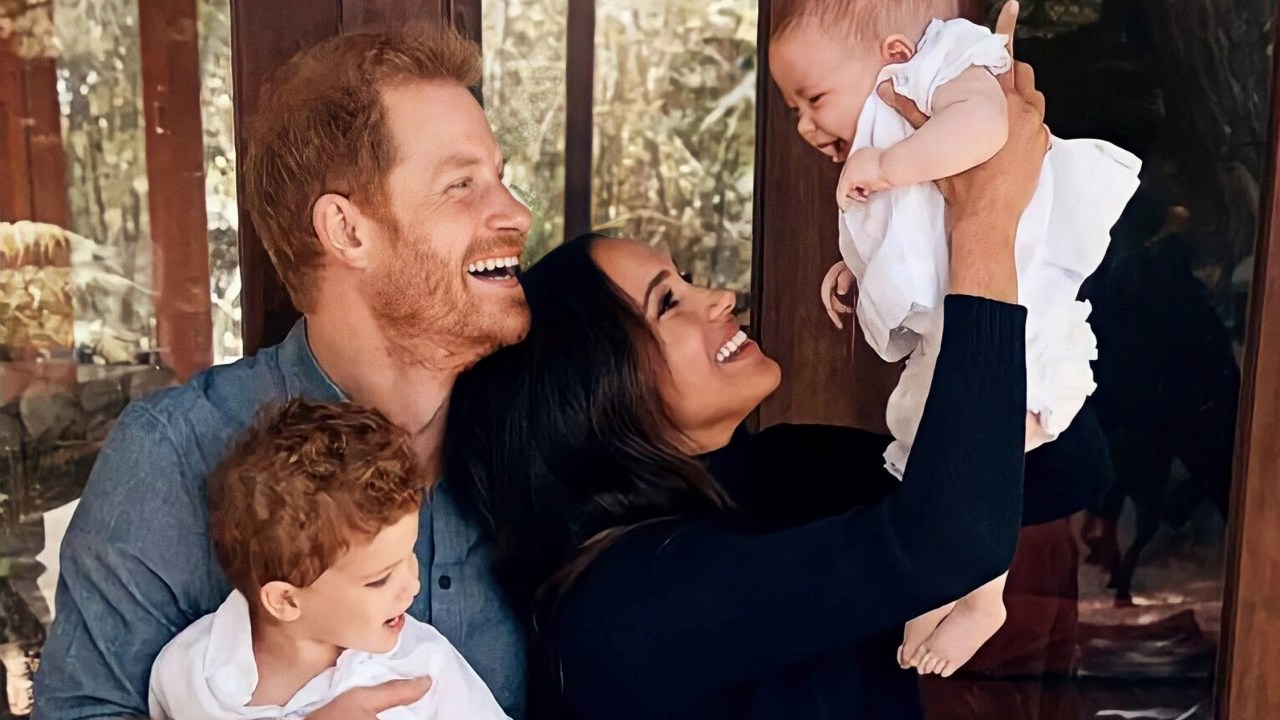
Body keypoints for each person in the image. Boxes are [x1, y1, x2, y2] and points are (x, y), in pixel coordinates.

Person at [444, 28, 1108, 719]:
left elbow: (1065, 469)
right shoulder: (629, 600)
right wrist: (982, 226)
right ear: (591, 394)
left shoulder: (782, 471)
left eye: (688, 279)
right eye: (668, 303)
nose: (718, 298)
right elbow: (950, 542)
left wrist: (982, 237)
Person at [35, 26, 531, 720]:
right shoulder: (175, 455)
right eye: (462, 185)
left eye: (501, 179)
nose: (516, 213)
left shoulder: (536, 430)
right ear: (347, 230)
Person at [767, 0, 1139, 674]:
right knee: (930, 446)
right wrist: (855, 270)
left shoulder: (946, 66)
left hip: (1022, 315)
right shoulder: (893, 134)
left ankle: (983, 594)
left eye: (813, 97)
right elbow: (917, 231)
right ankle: (941, 580)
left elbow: (985, 126)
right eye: (794, 107)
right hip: (964, 318)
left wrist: (886, 165)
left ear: (895, 56)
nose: (805, 123)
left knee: (982, 451)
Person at [148, 400, 509, 720]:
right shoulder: (188, 673)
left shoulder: (422, 666)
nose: (413, 585)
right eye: (379, 578)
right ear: (286, 599)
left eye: (409, 554)